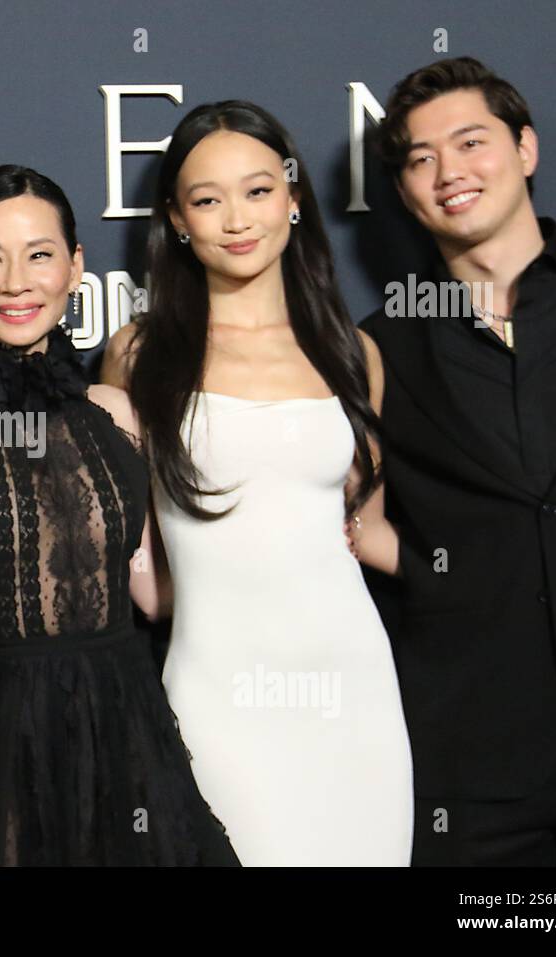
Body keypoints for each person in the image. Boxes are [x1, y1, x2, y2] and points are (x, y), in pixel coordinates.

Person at [0, 165, 239, 866]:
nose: (17, 281)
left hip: (129, 731)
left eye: (40, 254)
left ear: (75, 267)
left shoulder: (119, 414)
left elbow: (150, 588)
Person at [102, 102, 413, 866]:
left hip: (355, 692)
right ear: (177, 219)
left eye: (259, 190)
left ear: (295, 198)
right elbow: (138, 562)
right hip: (218, 695)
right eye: (207, 199)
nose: (237, 219)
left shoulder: (352, 351)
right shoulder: (138, 355)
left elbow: (360, 529)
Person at [353, 57, 556, 865]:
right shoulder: (378, 346)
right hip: (469, 761)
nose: (449, 172)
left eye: (471, 141)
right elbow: (353, 521)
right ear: (405, 189)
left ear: (526, 149)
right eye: (420, 158)